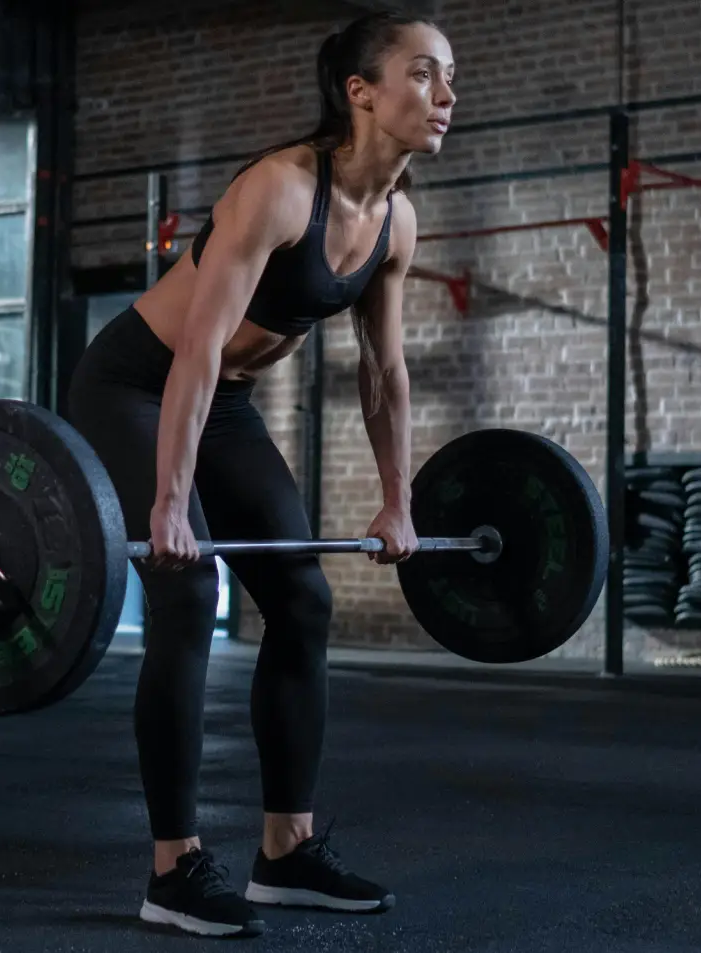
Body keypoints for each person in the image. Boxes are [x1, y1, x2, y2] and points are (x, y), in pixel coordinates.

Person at [65, 10, 456, 940]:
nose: (444, 94)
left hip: (224, 401)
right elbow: (196, 348)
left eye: (450, 77)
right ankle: (174, 868)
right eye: (422, 73)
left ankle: (286, 850)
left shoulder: (396, 219)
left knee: (304, 600)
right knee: (186, 585)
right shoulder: (278, 190)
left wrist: (399, 499)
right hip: (135, 382)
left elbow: (383, 370)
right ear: (360, 92)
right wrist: (168, 501)